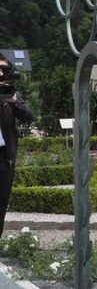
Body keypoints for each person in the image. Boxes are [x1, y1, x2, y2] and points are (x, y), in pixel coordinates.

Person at [0, 56, 34, 238]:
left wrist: (14, 101)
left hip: (4, 157)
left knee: (1, 205)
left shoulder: (10, 94)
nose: (1, 73)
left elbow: (29, 116)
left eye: (4, 70)